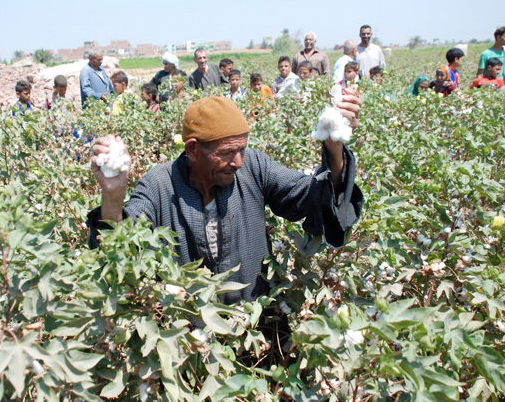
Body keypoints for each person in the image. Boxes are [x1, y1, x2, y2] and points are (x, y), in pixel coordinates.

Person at [86, 95, 363, 306]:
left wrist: (333, 145)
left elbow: (310, 195)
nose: (238, 162)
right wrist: (112, 196)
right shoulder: (159, 183)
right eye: (228, 153)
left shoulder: (254, 166)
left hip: (256, 325)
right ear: (193, 149)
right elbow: (121, 248)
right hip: (189, 343)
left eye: (242, 149)